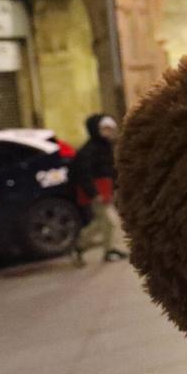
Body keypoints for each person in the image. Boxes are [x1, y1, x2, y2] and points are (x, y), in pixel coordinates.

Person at [69, 113, 127, 265]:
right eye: (105, 128)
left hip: (106, 190)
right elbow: (82, 173)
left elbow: (110, 169)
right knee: (110, 221)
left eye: (110, 128)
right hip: (97, 191)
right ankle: (108, 250)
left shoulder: (106, 146)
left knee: (102, 222)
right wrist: (94, 193)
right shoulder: (89, 150)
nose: (109, 132)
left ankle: (79, 246)